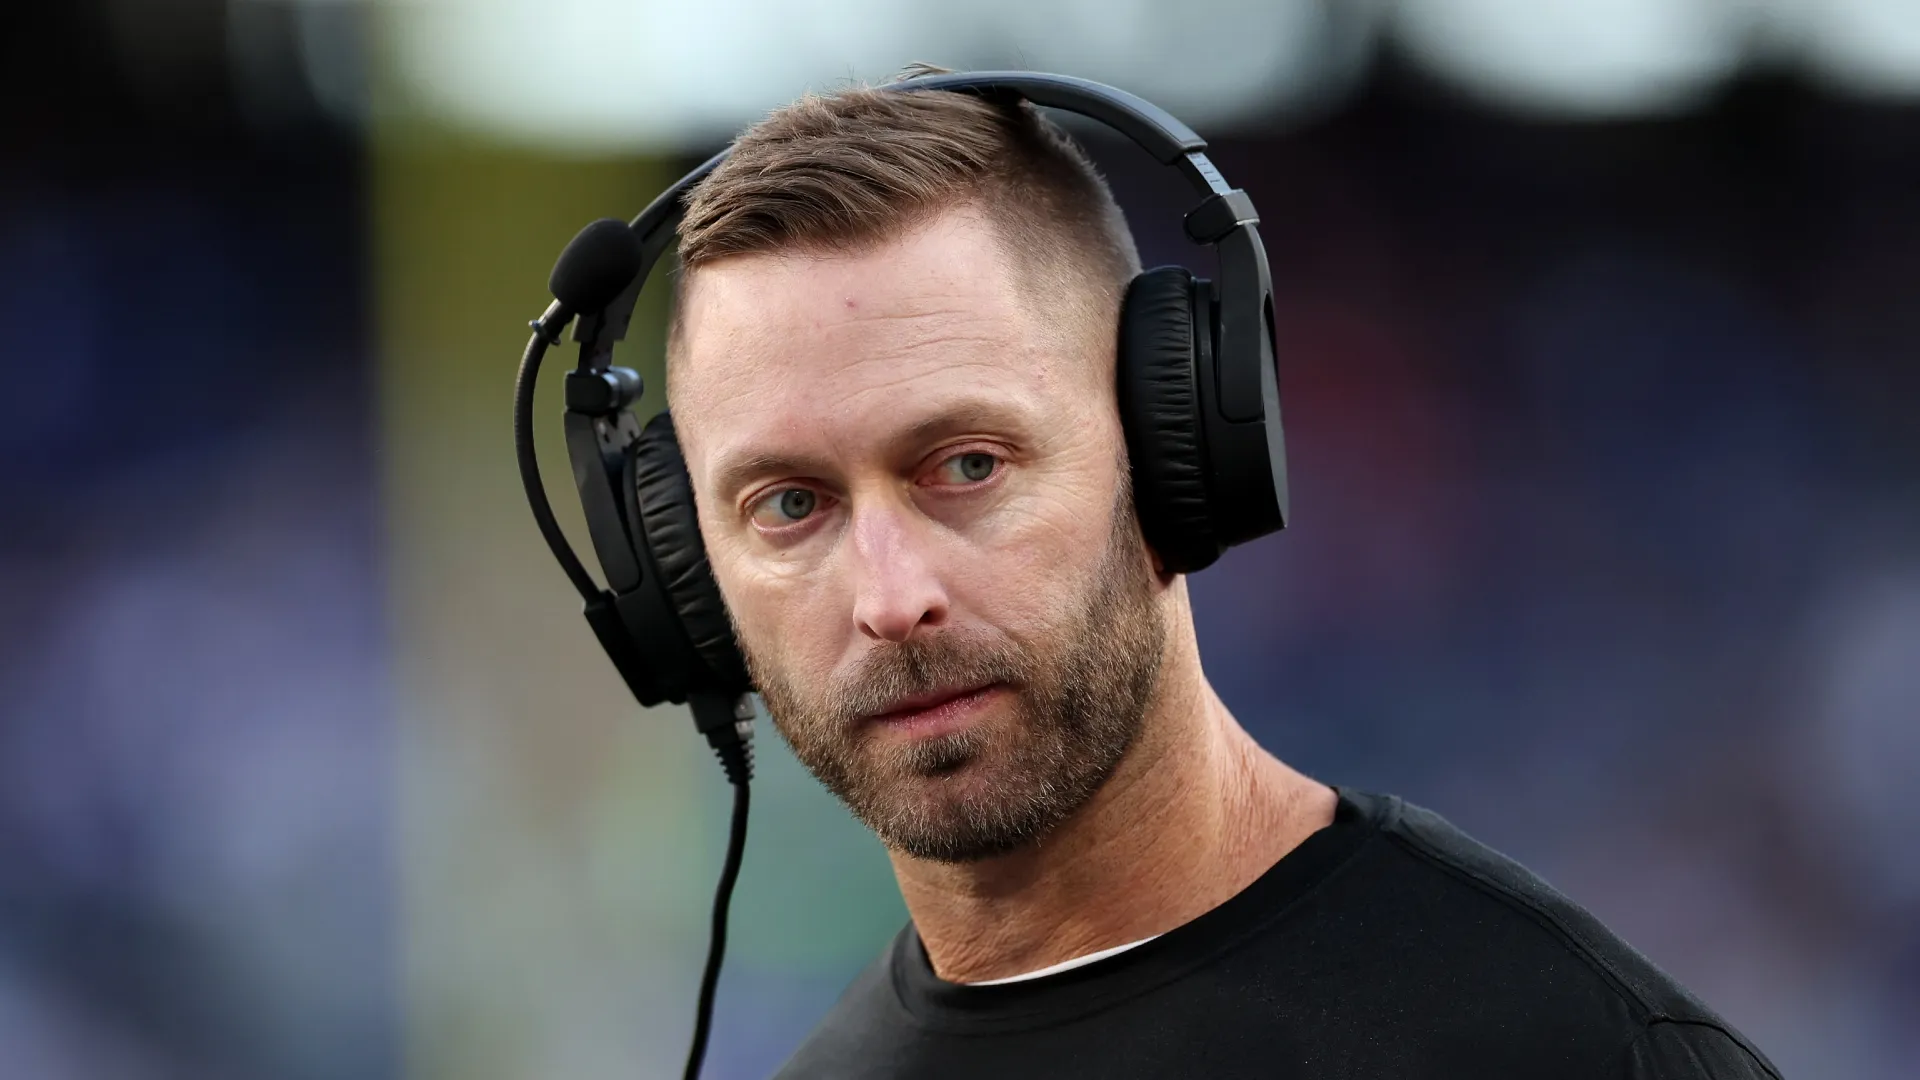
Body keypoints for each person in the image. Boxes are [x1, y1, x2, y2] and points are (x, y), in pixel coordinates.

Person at [661, 69, 1781, 1079]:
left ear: (1172, 449)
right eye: (790, 505)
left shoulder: (1579, 1055)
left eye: (967, 465)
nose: (891, 597)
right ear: (680, 571)